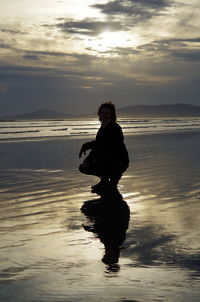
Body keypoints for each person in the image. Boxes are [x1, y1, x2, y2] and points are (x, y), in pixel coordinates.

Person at [79, 102, 129, 193]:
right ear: (99, 114)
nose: (104, 115)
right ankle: (105, 180)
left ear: (111, 115)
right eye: (102, 113)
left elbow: (105, 145)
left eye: (107, 113)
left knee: (99, 152)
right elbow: (99, 144)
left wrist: (88, 148)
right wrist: (88, 158)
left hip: (119, 161)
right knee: (83, 167)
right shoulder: (102, 127)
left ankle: (110, 179)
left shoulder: (115, 127)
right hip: (108, 159)